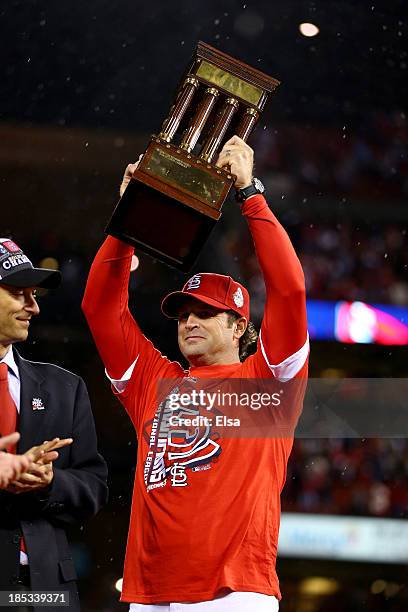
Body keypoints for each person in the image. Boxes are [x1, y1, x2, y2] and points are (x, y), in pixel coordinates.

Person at [82, 136, 309, 611]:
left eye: (205, 313)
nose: (189, 321)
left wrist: (251, 195)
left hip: (234, 593)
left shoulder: (269, 383)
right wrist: (127, 224)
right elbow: (101, 309)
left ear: (238, 325)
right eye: (184, 313)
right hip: (149, 593)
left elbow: (288, 292)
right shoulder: (152, 381)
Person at [0, 238, 108, 611]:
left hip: (48, 592)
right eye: (19, 294)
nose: (33, 307)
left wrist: (50, 482)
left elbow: (94, 488)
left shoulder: (65, 387)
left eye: (34, 295)